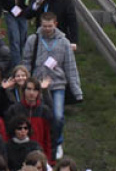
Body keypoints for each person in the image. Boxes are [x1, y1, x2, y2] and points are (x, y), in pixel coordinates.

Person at [21, 13, 82, 159]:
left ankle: (58, 141)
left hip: (57, 85)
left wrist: (77, 91)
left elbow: (70, 66)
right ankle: (41, 141)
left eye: (50, 26)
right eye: (44, 26)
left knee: (58, 116)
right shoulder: (33, 39)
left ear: (55, 24)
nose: (47, 29)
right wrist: (26, 82)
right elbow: (26, 61)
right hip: (38, 85)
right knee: (41, 115)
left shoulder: (64, 42)